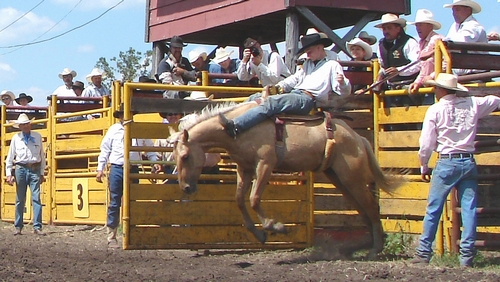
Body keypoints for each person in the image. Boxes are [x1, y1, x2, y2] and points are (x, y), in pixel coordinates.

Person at [412, 73, 500, 268]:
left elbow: (426, 143)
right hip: (467, 160)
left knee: (434, 208)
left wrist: (424, 164)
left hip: (446, 161)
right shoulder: (472, 104)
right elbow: (494, 101)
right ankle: (467, 256)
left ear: (442, 90)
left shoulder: (435, 110)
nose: (434, 90)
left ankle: (424, 252)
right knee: (468, 208)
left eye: (436, 87)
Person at [219, 32, 351, 138]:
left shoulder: (332, 65)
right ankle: (232, 118)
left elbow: (344, 92)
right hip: (296, 94)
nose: (308, 54)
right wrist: (278, 87)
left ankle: (237, 126)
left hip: (308, 99)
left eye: (309, 51)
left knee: (271, 103)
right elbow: (293, 79)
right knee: (255, 97)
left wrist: (342, 83)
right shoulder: (307, 65)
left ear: (319, 47)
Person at [96, 106, 160, 248]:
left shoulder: (139, 129)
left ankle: (131, 232)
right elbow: (105, 149)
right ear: (119, 116)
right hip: (117, 167)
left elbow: (149, 148)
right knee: (115, 201)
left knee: (132, 201)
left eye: (128, 114)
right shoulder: (113, 129)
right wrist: (100, 168)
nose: (125, 116)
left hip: (133, 168)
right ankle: (112, 234)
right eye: (123, 114)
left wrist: (155, 162)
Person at [5, 113, 46, 236]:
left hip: (34, 168)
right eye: (23, 125)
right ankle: (18, 226)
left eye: (27, 124)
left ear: (29, 124)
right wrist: (8, 173)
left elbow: (42, 156)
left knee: (36, 198)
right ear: (20, 126)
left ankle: (37, 226)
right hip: (21, 168)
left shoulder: (37, 136)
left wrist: (42, 172)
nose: (26, 126)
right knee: (20, 198)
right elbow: (10, 157)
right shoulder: (16, 138)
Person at [374, 13, 420, 107]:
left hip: (409, 86)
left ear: (398, 28)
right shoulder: (381, 45)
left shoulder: (409, 42)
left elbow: (417, 64)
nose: (386, 31)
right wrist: (379, 78)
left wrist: (398, 71)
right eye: (384, 28)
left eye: (389, 28)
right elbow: (382, 66)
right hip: (390, 87)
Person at [407, 9, 444, 104]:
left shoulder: (437, 40)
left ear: (430, 26)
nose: (417, 28)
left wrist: (432, 76)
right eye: (417, 25)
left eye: (420, 25)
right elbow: (423, 68)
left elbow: (446, 63)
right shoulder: (421, 43)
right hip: (429, 86)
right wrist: (417, 82)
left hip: (440, 86)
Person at [443, 0, 487, 75]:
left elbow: (461, 41)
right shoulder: (455, 26)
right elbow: (448, 42)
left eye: (457, 10)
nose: (454, 14)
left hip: (476, 75)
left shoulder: (474, 26)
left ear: (468, 10)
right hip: (463, 75)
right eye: (453, 11)